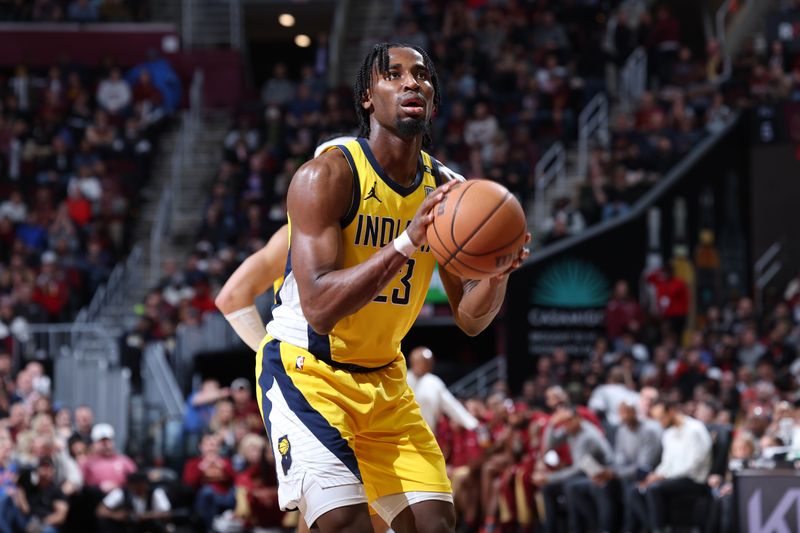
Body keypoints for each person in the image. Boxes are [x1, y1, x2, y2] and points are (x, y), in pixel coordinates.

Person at [254, 43, 529, 533]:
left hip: (385, 379)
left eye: (421, 76)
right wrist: (406, 241)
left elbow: (470, 318)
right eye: (394, 74)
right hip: (309, 370)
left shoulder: (448, 191)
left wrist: (496, 272)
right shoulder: (327, 175)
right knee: (345, 522)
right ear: (367, 96)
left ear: (433, 101)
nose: (411, 83)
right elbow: (318, 308)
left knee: (434, 524)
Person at [406, 347, 478, 432]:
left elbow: (451, 404)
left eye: (428, 362)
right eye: (421, 362)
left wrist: (471, 423)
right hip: (403, 435)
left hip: (427, 434)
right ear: (413, 361)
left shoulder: (434, 382)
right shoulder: (403, 379)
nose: (425, 365)